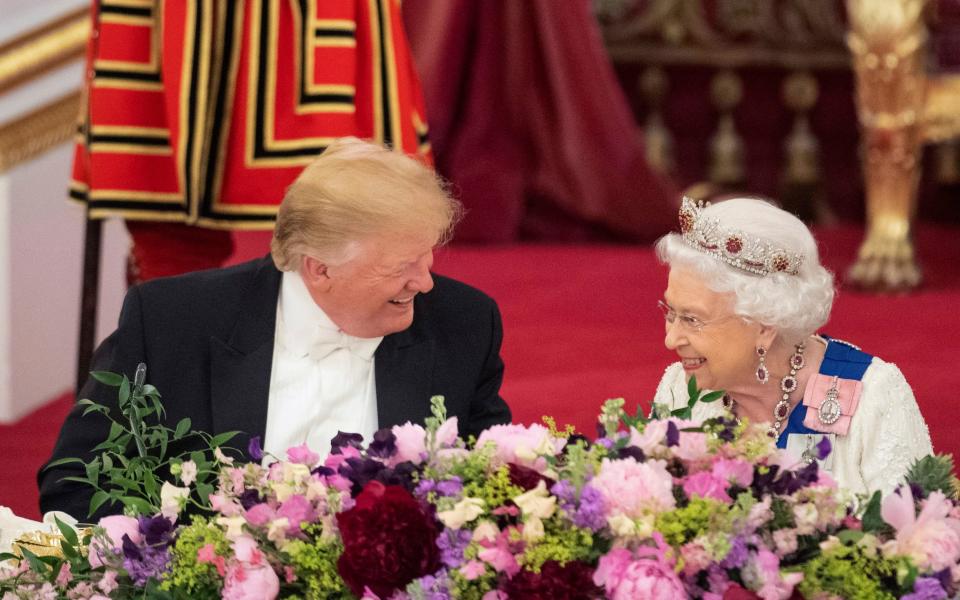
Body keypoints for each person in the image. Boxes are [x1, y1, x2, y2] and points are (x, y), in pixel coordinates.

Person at [40, 137, 511, 520]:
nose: (424, 282)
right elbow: (77, 482)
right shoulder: (172, 321)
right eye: (402, 266)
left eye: (427, 256)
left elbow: (495, 487)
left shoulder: (463, 324)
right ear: (319, 269)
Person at [652, 196, 932, 494]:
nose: (671, 339)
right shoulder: (680, 390)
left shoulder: (872, 395)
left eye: (692, 319)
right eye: (671, 312)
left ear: (763, 325)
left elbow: (916, 533)